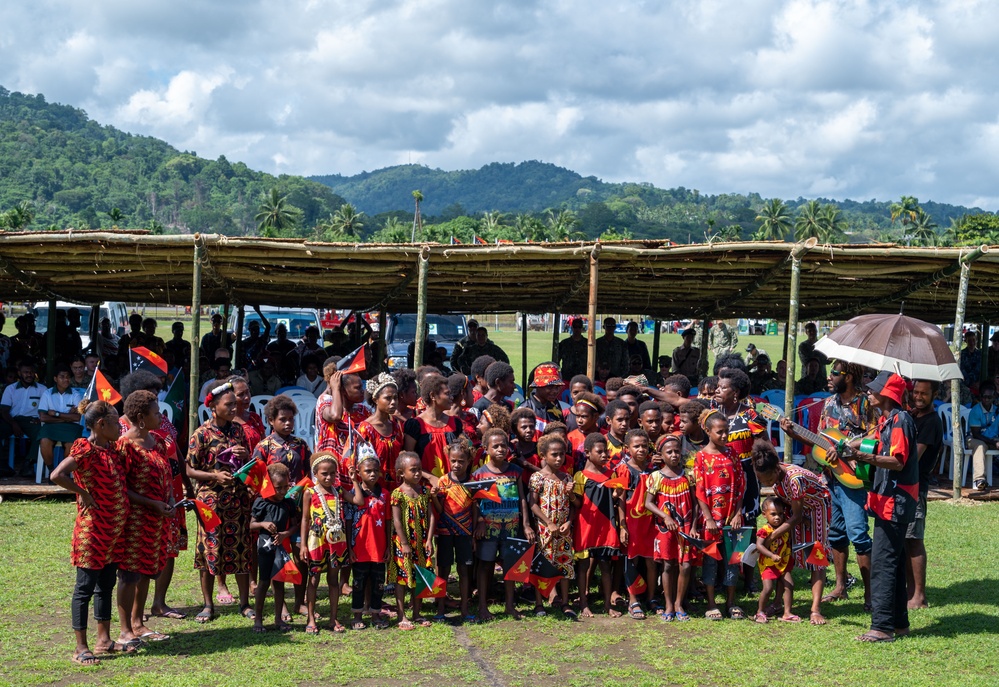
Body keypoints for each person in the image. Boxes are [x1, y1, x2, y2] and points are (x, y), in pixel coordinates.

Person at [830, 371, 919, 642]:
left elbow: (898, 461)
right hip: (886, 500)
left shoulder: (900, 420)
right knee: (893, 559)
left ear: (888, 394)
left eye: (874, 389)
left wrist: (862, 456)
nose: (868, 392)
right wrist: (844, 446)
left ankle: (881, 626)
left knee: (883, 563)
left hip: (896, 500)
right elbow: (868, 440)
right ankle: (900, 624)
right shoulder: (886, 420)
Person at [781, 360, 874, 609]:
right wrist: (793, 433)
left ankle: (870, 594)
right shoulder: (829, 404)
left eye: (835, 373)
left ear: (850, 377)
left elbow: (875, 434)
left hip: (854, 477)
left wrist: (844, 447)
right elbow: (821, 441)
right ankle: (841, 587)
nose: (829, 377)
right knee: (836, 535)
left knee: (859, 535)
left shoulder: (865, 402)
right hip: (830, 479)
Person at [50, 399, 135, 665]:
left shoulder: (112, 450)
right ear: (101, 424)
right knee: (84, 588)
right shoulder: (86, 449)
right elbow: (57, 475)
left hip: (113, 532)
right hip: (93, 532)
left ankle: (104, 640)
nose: (120, 427)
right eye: (115, 422)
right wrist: (83, 493)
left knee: (105, 586)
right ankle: (80, 647)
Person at [185, 381, 253, 624]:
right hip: (210, 501)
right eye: (229, 404)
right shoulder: (201, 434)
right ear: (213, 406)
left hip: (237, 499)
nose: (234, 408)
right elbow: (190, 470)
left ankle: (245, 604)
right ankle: (208, 604)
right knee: (210, 551)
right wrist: (214, 475)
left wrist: (246, 455)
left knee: (242, 549)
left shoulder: (238, 430)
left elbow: (246, 462)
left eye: (235, 403)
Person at [114, 390, 175, 645]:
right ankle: (125, 629)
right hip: (134, 520)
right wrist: (152, 503)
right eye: (155, 412)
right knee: (129, 574)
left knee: (147, 571)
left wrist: (170, 500)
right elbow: (120, 486)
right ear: (140, 417)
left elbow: (167, 475)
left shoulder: (158, 442)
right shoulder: (125, 446)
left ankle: (139, 623)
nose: (160, 416)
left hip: (157, 519)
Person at [751, 439, 832, 625]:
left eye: (769, 480)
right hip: (796, 512)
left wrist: (773, 536)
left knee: (816, 556)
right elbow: (792, 510)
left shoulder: (794, 479)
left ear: (777, 470)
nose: (768, 483)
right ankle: (779, 603)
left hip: (817, 509)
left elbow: (795, 517)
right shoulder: (774, 475)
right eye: (763, 481)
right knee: (786, 555)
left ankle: (815, 610)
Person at [472, 428, 534, 620]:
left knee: (511, 566)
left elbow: (523, 499)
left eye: (504, 445)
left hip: (512, 526)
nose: (500, 449)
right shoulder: (479, 475)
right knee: (485, 566)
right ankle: (482, 607)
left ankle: (509, 605)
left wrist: (526, 525)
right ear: (486, 448)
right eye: (495, 446)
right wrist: (480, 522)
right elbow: (475, 502)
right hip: (489, 529)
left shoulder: (516, 471)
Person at [694, 408, 745, 620]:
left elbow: (741, 485)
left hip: (732, 517)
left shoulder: (733, 453)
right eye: (719, 432)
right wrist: (707, 518)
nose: (724, 436)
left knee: (734, 557)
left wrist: (738, 513)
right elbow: (699, 490)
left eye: (726, 432)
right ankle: (712, 603)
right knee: (711, 560)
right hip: (711, 520)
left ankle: (731, 602)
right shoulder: (701, 457)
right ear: (707, 431)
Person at [527, 434, 579, 618]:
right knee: (543, 565)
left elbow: (575, 505)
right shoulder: (537, 478)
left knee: (564, 564)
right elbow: (532, 503)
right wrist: (548, 523)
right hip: (544, 530)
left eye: (562, 454)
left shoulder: (566, 477)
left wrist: (568, 522)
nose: (559, 458)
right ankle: (540, 603)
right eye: (554, 454)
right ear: (543, 456)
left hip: (563, 530)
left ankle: (565, 602)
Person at [644, 434, 694, 622]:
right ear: (661, 455)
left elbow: (695, 503)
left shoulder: (688, 475)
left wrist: (695, 525)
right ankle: (668, 604)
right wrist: (664, 516)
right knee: (667, 564)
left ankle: (679, 602)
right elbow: (648, 503)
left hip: (686, 525)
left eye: (676, 451)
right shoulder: (656, 476)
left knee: (686, 565)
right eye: (669, 452)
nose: (674, 455)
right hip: (665, 527)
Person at [300, 451, 350, 634]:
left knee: (334, 580)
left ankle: (333, 617)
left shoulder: (339, 492)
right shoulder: (309, 493)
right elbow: (305, 519)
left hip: (336, 541)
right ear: (315, 474)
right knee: (313, 579)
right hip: (316, 542)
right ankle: (311, 618)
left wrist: (354, 479)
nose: (329, 477)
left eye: (332, 473)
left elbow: (359, 500)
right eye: (324, 474)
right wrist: (303, 545)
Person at [573, 433, 622, 618]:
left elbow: (613, 500)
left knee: (605, 566)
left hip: (606, 526)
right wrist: (571, 495)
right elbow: (577, 503)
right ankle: (584, 603)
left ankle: (608, 605)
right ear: (587, 453)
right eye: (599, 452)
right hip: (586, 525)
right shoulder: (580, 476)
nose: (604, 455)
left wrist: (617, 493)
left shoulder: (612, 474)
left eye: (606, 452)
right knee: (584, 566)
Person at [389, 451, 437, 629]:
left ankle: (417, 612)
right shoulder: (398, 493)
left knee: (421, 576)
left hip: (422, 541)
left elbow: (431, 516)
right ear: (401, 473)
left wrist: (429, 539)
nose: (417, 474)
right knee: (402, 578)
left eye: (420, 470)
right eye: (413, 470)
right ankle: (402, 615)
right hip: (404, 542)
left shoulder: (425, 491)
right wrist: (404, 543)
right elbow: (396, 520)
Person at [432, 440, 477, 622]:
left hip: (465, 532)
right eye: (453, 461)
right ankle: (441, 609)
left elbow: (475, 508)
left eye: (461, 461)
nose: (457, 464)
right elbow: (440, 509)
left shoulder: (473, 482)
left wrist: (473, 533)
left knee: (464, 570)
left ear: (468, 462)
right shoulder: (443, 481)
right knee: (443, 569)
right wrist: (434, 497)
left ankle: (465, 609)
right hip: (444, 532)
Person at [906, 379, 941, 609]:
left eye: (924, 393)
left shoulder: (931, 422)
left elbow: (913, 459)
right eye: (915, 392)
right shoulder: (914, 415)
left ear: (934, 394)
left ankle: (919, 596)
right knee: (906, 541)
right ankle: (910, 592)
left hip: (917, 486)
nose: (918, 396)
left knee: (914, 540)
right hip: (905, 486)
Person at [615, 429, 657, 619]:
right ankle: (633, 600)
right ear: (627, 448)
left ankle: (652, 598)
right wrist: (622, 526)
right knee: (631, 560)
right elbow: (621, 500)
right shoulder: (623, 469)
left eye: (644, 446)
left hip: (650, 522)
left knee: (651, 561)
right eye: (636, 446)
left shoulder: (654, 471)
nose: (641, 449)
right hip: (632, 522)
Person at [345, 454, 390, 630]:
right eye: (368, 471)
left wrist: (387, 547)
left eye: (375, 471)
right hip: (360, 548)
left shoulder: (385, 495)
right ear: (359, 472)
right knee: (358, 583)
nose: (372, 474)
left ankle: (376, 613)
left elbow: (387, 522)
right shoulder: (353, 495)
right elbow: (348, 522)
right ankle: (357, 614)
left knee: (379, 582)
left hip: (378, 548)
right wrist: (350, 547)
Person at [250, 462, 296, 633]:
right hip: (265, 546)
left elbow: (295, 525)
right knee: (263, 582)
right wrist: (263, 524)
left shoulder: (288, 503)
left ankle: (278, 618)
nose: (283, 491)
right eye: (278, 488)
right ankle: (259, 620)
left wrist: (286, 534)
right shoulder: (261, 502)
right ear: (270, 484)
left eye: (286, 487)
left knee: (279, 583)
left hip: (280, 546)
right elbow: (251, 525)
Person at [404, 373, 463, 480]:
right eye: (447, 394)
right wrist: (431, 478)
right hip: (425, 487)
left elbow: (465, 452)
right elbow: (409, 462)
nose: (451, 397)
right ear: (432, 396)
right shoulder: (415, 425)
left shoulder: (455, 423)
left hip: (453, 485)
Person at [358, 373, 405, 491]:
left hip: (396, 490)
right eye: (388, 398)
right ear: (375, 399)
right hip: (375, 491)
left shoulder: (396, 426)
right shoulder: (366, 428)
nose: (393, 402)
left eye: (395, 397)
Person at [752, 496, 795, 624]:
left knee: (789, 585)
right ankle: (760, 611)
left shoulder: (785, 526)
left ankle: (787, 613)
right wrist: (771, 555)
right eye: (773, 514)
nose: (777, 517)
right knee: (768, 588)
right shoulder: (764, 530)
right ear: (764, 515)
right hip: (768, 564)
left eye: (780, 514)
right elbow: (759, 545)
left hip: (783, 562)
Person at [1, 359, 46, 477]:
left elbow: (46, 408)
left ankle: (28, 464)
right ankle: (2, 465)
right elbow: (4, 410)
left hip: (32, 420)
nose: (29, 375)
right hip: (11, 419)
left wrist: (41, 419)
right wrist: (13, 424)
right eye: (26, 372)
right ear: (19, 373)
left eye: (31, 372)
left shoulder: (42, 389)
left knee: (42, 433)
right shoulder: (10, 388)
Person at [252, 395, 311, 484]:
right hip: (273, 496)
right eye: (283, 419)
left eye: (291, 419)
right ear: (271, 421)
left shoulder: (301, 444)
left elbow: (308, 472)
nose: (288, 423)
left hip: (299, 495)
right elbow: (257, 476)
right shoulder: (264, 446)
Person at [38, 365, 85, 470]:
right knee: (44, 441)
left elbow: (77, 418)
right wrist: (67, 417)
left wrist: (56, 414)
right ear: (55, 379)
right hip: (51, 427)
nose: (66, 379)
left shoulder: (75, 394)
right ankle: (51, 470)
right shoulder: (47, 393)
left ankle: (63, 472)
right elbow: (43, 417)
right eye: (62, 377)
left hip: (71, 427)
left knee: (71, 444)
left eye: (68, 377)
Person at [966, 380, 998, 492]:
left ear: (994, 397)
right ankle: (979, 480)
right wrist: (994, 443)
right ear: (980, 396)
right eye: (984, 397)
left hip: (991, 439)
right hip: (974, 439)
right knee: (980, 446)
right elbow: (976, 434)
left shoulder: (996, 410)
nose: (987, 399)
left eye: (990, 397)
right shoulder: (976, 410)